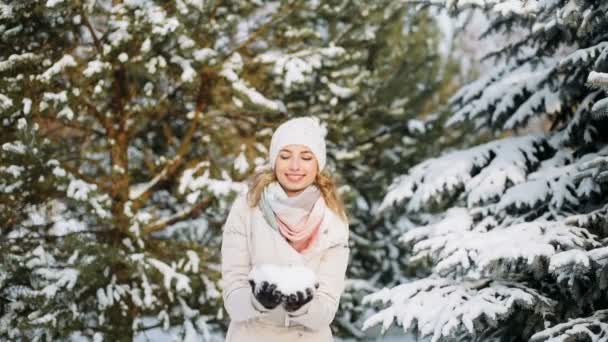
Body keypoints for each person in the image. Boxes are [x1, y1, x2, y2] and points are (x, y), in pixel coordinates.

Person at [220, 117, 350, 341]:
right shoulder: (248, 208)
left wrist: (302, 307)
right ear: (274, 160)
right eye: (285, 156)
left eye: (306, 157)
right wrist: (256, 302)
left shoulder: (333, 218)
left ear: (318, 164)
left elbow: (327, 308)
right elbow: (233, 298)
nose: (295, 166)